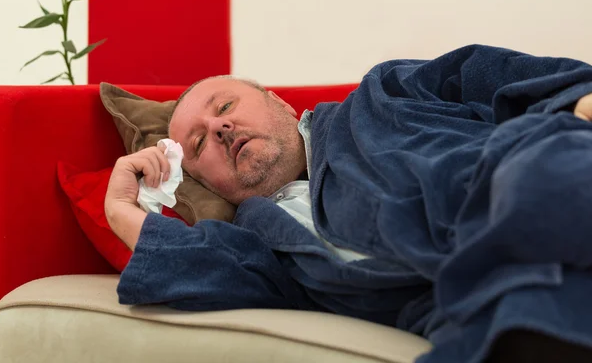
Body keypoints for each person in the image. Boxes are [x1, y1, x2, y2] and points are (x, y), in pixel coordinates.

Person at [105, 44, 592, 363]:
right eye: (197, 145)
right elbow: (203, 270)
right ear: (204, 180)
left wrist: (578, 101)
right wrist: (122, 210)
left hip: (532, 179)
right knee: (519, 325)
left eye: (225, 107)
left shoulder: (381, 95)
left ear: (278, 100)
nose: (218, 129)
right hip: (472, 304)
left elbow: (496, 76)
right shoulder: (260, 243)